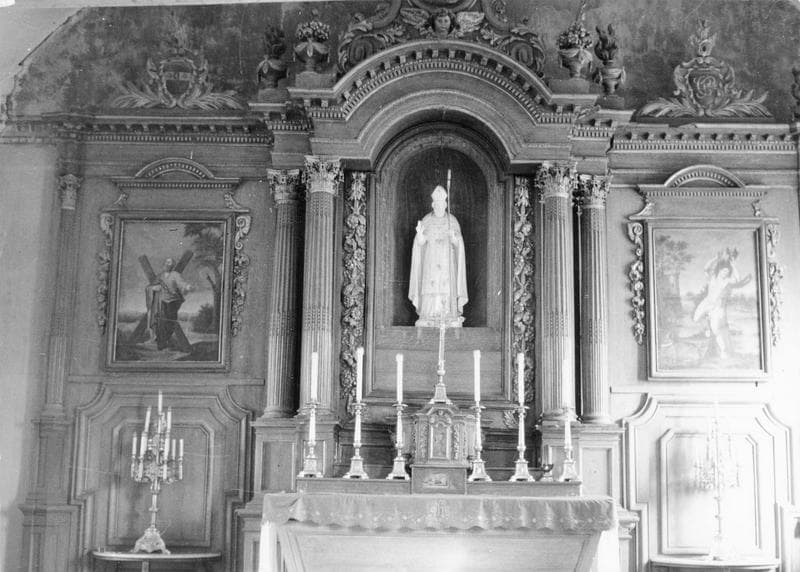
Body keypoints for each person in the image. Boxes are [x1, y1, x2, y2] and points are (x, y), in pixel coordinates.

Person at [408, 185, 468, 327]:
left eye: (442, 204)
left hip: (447, 262)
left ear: (445, 205)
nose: (439, 206)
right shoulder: (426, 220)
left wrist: (453, 238)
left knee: (447, 288)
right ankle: (428, 315)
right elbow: (420, 243)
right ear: (433, 205)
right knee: (431, 286)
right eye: (437, 204)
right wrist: (420, 235)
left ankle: (449, 316)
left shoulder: (452, 221)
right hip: (431, 261)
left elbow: (458, 244)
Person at [692, 248, 751, 359]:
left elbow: (737, 279)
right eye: (724, 271)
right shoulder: (712, 278)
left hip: (718, 308)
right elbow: (706, 268)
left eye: (727, 272)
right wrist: (715, 258)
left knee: (718, 329)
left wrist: (732, 264)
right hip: (707, 303)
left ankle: (725, 353)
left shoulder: (726, 281)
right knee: (695, 318)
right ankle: (707, 329)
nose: (725, 273)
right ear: (719, 270)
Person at [146, 257, 194, 350]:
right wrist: (154, 288)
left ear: (172, 265)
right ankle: (161, 343)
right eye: (166, 262)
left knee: (170, 322)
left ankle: (166, 340)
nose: (166, 264)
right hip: (161, 302)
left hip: (172, 302)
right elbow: (151, 286)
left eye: (169, 262)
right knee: (160, 322)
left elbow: (181, 283)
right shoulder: (160, 276)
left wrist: (187, 287)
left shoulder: (175, 275)